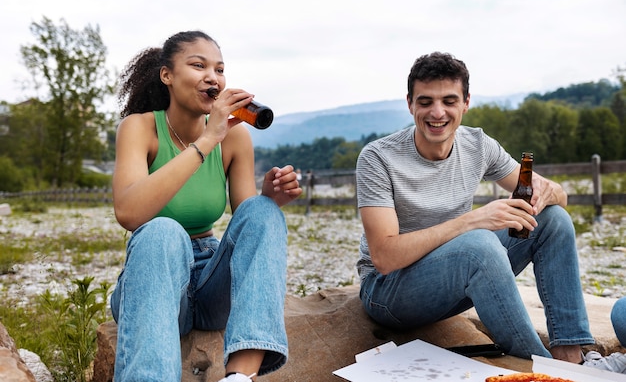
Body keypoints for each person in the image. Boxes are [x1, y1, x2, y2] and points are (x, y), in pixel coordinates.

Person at [355, 51, 594, 363]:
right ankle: (543, 366)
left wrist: (551, 192)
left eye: (449, 101)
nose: (437, 112)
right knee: (477, 244)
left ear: (466, 102)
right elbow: (384, 258)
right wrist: (472, 221)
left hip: (453, 277)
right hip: (389, 293)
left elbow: (556, 196)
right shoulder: (378, 158)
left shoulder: (479, 145)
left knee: (554, 220)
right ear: (410, 103)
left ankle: (570, 356)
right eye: (425, 101)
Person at [110, 30, 302, 382]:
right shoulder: (140, 129)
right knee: (162, 230)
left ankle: (240, 377)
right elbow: (130, 213)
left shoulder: (236, 136)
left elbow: (248, 224)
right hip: (156, 277)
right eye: (198, 65)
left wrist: (271, 198)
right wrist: (207, 139)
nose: (212, 77)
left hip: (211, 279)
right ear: (167, 75)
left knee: (262, 211)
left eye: (219, 69)